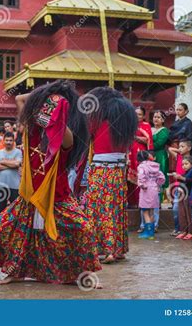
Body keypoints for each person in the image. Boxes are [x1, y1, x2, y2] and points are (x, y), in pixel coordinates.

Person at [0, 80, 101, 286]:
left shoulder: (67, 137)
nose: (48, 111)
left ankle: (85, 275)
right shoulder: (30, 128)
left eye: (52, 109)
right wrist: (48, 93)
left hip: (58, 196)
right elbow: (21, 99)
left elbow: (57, 124)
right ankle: (15, 272)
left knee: (83, 229)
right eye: (46, 108)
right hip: (29, 195)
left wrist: (60, 107)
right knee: (4, 228)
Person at [84, 86, 137, 263]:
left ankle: (106, 250)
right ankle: (118, 248)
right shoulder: (125, 126)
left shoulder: (97, 122)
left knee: (100, 209)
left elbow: (85, 136)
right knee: (116, 208)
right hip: (118, 171)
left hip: (100, 170)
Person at [128, 106, 153, 208]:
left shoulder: (146, 125)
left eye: (139, 114)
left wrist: (136, 137)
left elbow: (148, 140)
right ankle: (131, 202)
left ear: (143, 116)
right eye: (135, 114)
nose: (137, 116)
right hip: (130, 153)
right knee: (130, 179)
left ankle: (141, 202)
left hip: (141, 154)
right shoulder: (130, 125)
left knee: (141, 177)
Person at [0, 131, 22, 218]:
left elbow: (17, 164)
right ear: (3, 141)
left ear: (13, 141)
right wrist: (11, 165)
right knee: (0, 210)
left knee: (15, 210)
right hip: (1, 185)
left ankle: (14, 230)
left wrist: (3, 161)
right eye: (7, 140)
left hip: (15, 186)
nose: (8, 142)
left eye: (10, 140)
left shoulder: (18, 152)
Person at [137, 150, 165, 240]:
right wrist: (157, 184)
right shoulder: (155, 165)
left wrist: (142, 185)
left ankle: (148, 233)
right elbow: (162, 177)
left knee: (145, 211)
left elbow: (141, 177)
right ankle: (152, 232)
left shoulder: (141, 166)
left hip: (146, 190)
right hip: (154, 189)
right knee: (152, 211)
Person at [168, 139, 192, 236]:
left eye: (182, 146)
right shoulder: (179, 157)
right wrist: (181, 151)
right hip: (178, 187)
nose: (180, 148)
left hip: (187, 188)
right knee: (176, 209)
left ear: (189, 148)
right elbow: (170, 149)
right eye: (179, 146)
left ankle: (188, 230)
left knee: (186, 210)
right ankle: (178, 228)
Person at [151, 110, 169, 231]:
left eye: (159, 117)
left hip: (159, 157)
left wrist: (145, 140)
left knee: (157, 184)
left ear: (163, 120)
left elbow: (158, 144)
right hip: (149, 157)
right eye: (154, 117)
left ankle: (156, 222)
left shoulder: (164, 131)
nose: (156, 119)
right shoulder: (150, 129)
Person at [173, 155, 192, 240]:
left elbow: (190, 180)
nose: (184, 166)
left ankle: (190, 232)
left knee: (188, 214)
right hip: (182, 195)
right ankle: (184, 231)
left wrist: (180, 177)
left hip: (188, 196)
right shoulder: (185, 172)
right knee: (182, 214)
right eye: (183, 164)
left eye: (186, 164)